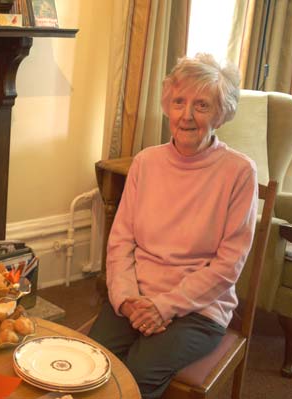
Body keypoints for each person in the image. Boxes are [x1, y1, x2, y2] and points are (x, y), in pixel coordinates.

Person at [89, 53, 258, 399]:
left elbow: (228, 267)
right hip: (137, 296)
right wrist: (126, 299)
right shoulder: (146, 162)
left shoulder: (239, 172)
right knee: (91, 363)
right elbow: (120, 242)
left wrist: (164, 306)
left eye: (202, 105)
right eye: (179, 102)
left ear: (221, 113)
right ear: (167, 105)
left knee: (137, 375)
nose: (187, 115)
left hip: (200, 309)